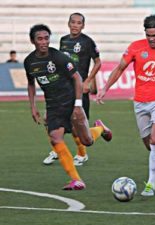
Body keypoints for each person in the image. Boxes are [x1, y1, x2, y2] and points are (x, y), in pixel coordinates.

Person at [96, 15, 155, 197]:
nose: (151, 39)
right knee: (150, 145)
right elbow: (119, 68)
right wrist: (105, 88)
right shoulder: (135, 47)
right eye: (148, 35)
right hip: (140, 102)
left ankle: (150, 185)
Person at [24, 24, 112, 190]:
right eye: (39, 39)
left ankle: (99, 128)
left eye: (46, 38)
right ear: (32, 41)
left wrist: (78, 105)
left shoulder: (58, 57)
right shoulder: (29, 62)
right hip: (53, 105)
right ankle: (76, 180)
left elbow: (77, 78)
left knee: (87, 141)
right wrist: (33, 107)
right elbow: (31, 84)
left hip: (71, 101)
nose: (43, 42)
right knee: (55, 138)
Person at [43, 12, 102, 166]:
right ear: (69, 24)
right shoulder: (63, 40)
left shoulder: (87, 42)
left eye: (78, 23)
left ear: (83, 25)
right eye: (73, 22)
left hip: (79, 89)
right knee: (52, 119)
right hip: (63, 88)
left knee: (78, 129)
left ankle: (82, 153)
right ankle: (57, 150)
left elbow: (98, 62)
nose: (75, 25)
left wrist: (88, 81)